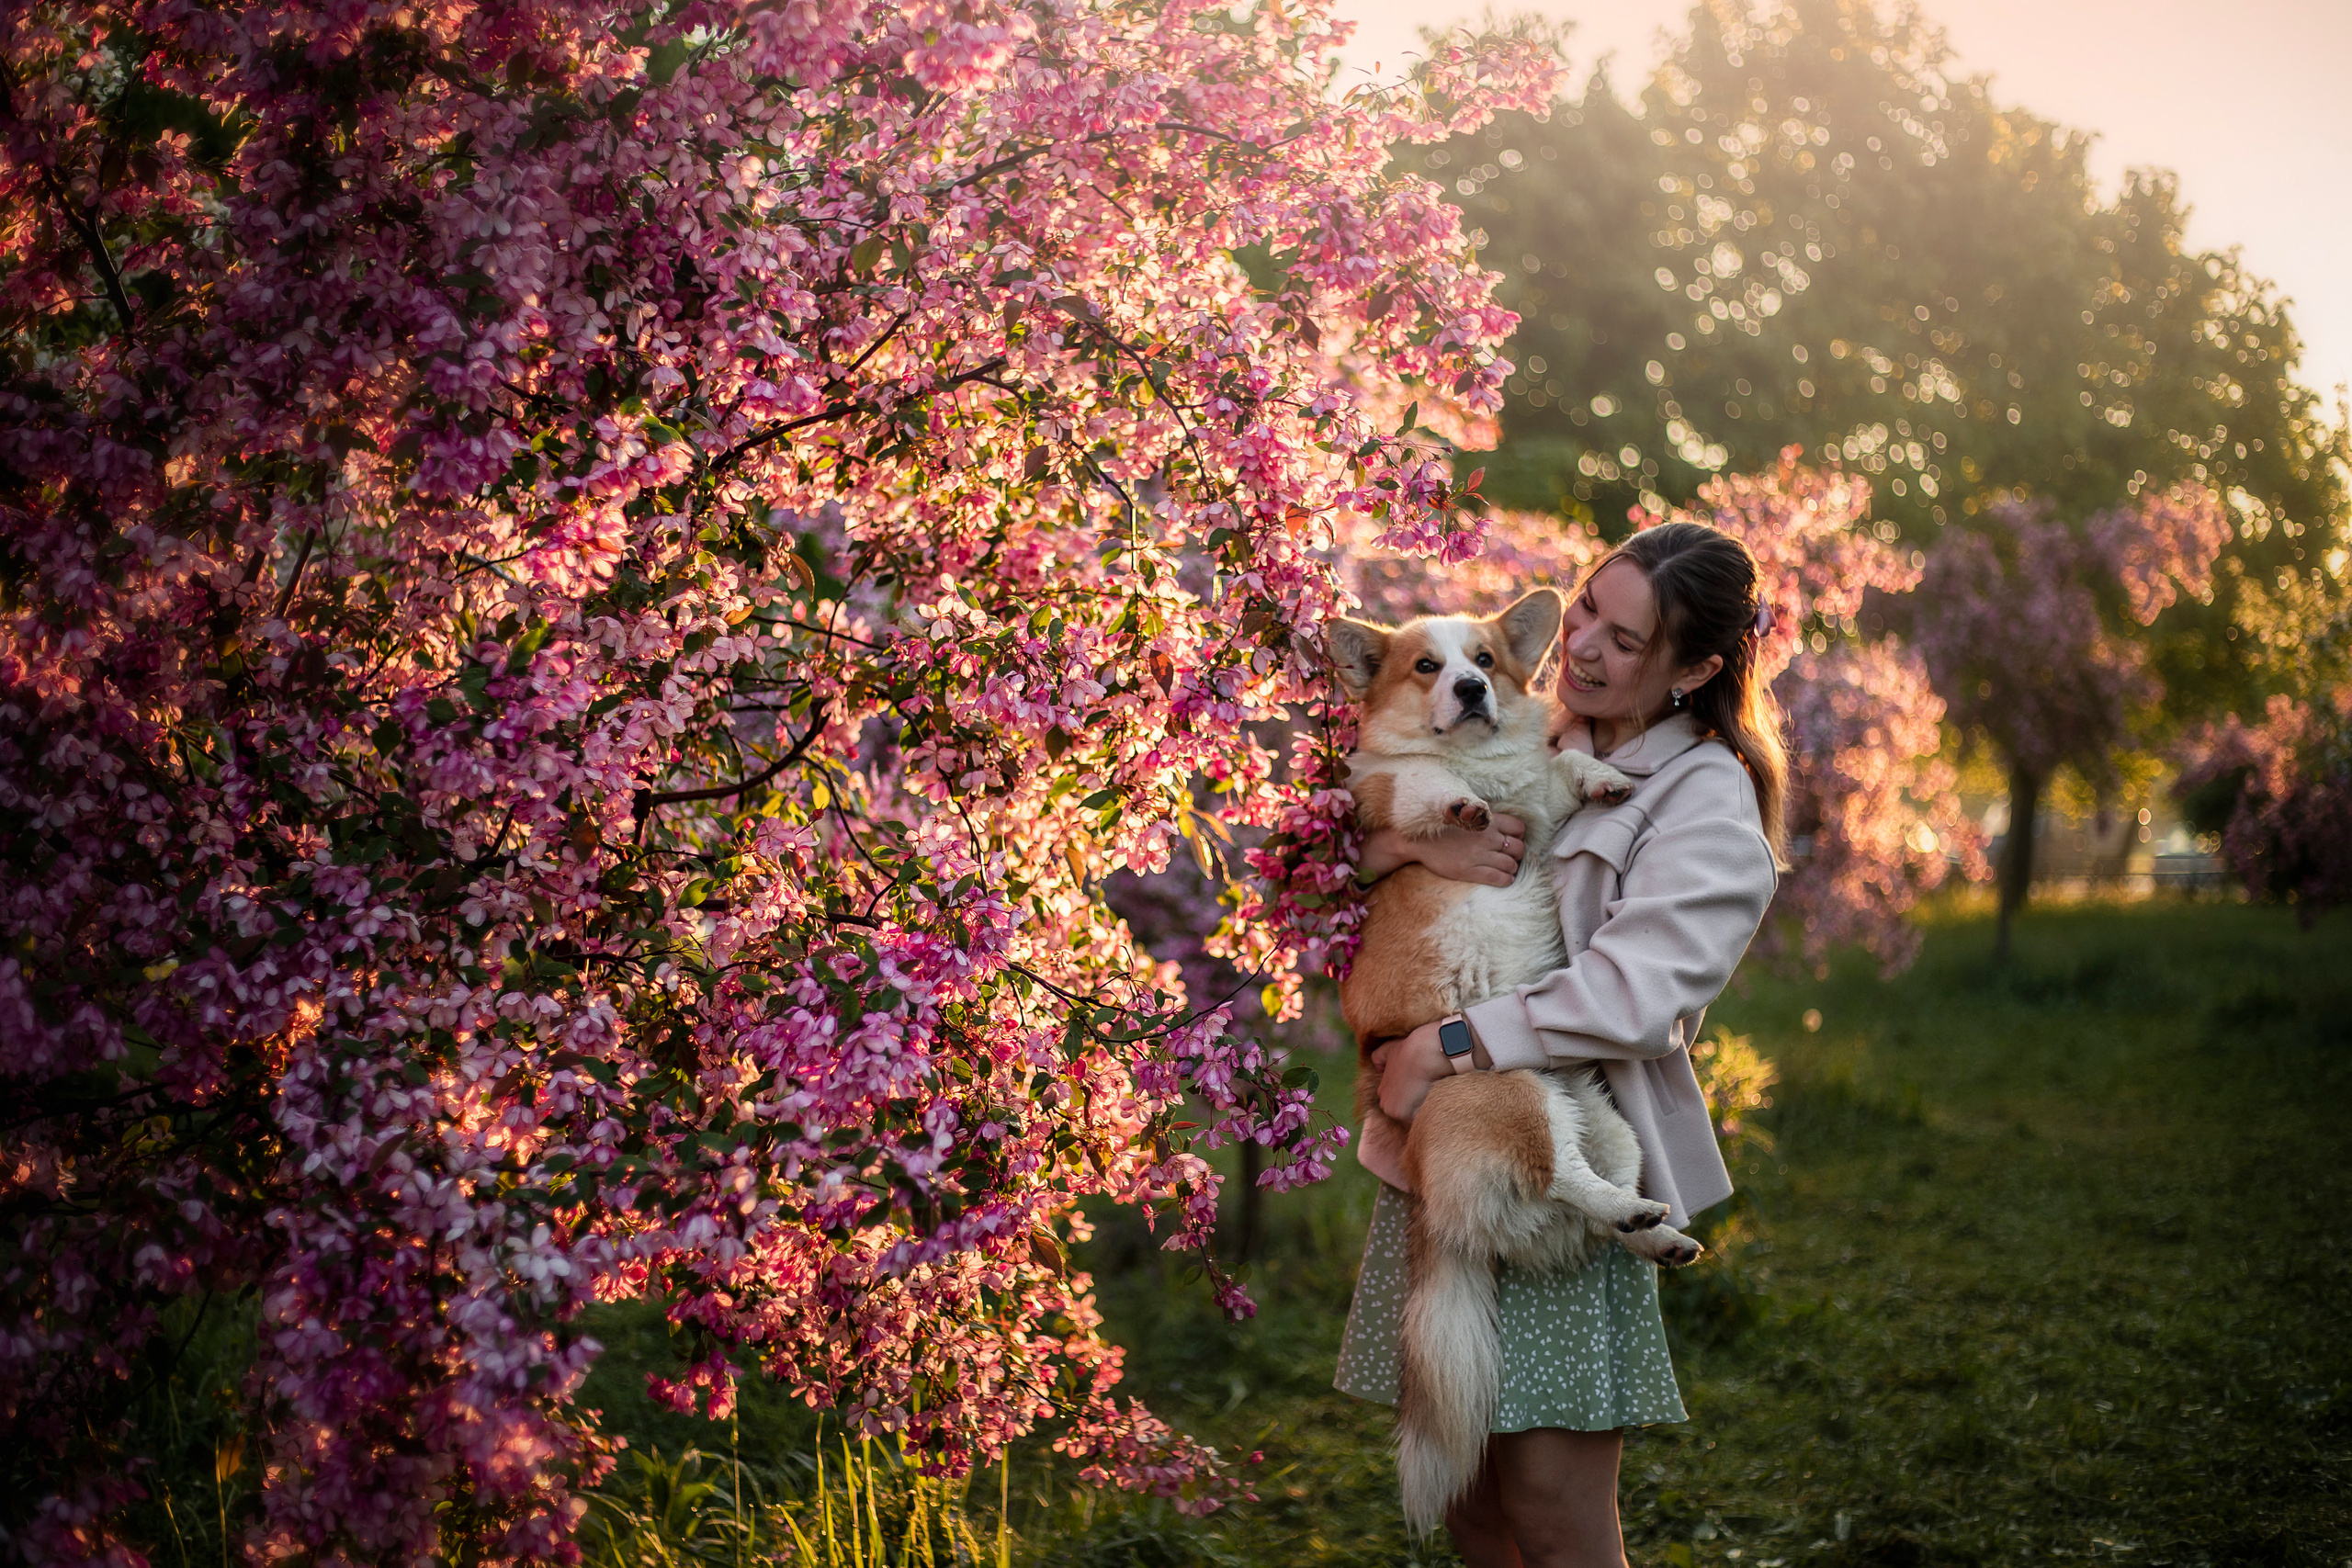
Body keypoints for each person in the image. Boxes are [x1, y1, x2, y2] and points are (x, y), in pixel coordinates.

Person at [1330, 521, 1787, 1568]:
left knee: (1548, 1502)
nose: (1579, 646)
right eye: (1585, 608)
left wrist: (1443, 1044)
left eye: (1623, 641)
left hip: (1564, 1149)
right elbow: (1332, 859)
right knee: (1474, 1503)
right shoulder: (1511, 730)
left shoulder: (1704, 800)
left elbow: (1633, 994)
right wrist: (1400, 841)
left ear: (1696, 668)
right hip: (1438, 1145)